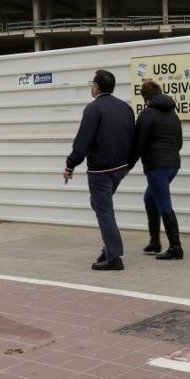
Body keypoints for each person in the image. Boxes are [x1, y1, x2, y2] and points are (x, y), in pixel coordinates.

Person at [64, 69, 136, 271]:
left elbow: (82, 141)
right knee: (99, 204)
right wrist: (128, 164)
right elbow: (133, 137)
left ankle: (114, 256)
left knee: (104, 211)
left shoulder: (93, 109)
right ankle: (110, 246)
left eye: (92, 84)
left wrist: (70, 165)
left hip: (100, 171)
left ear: (96, 86)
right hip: (120, 168)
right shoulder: (125, 108)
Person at [134, 79, 184, 260]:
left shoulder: (147, 115)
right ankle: (155, 241)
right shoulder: (173, 114)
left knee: (164, 205)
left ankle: (176, 248)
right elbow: (179, 142)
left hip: (157, 166)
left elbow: (138, 144)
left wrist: (128, 164)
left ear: (145, 96)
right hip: (172, 165)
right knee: (150, 198)